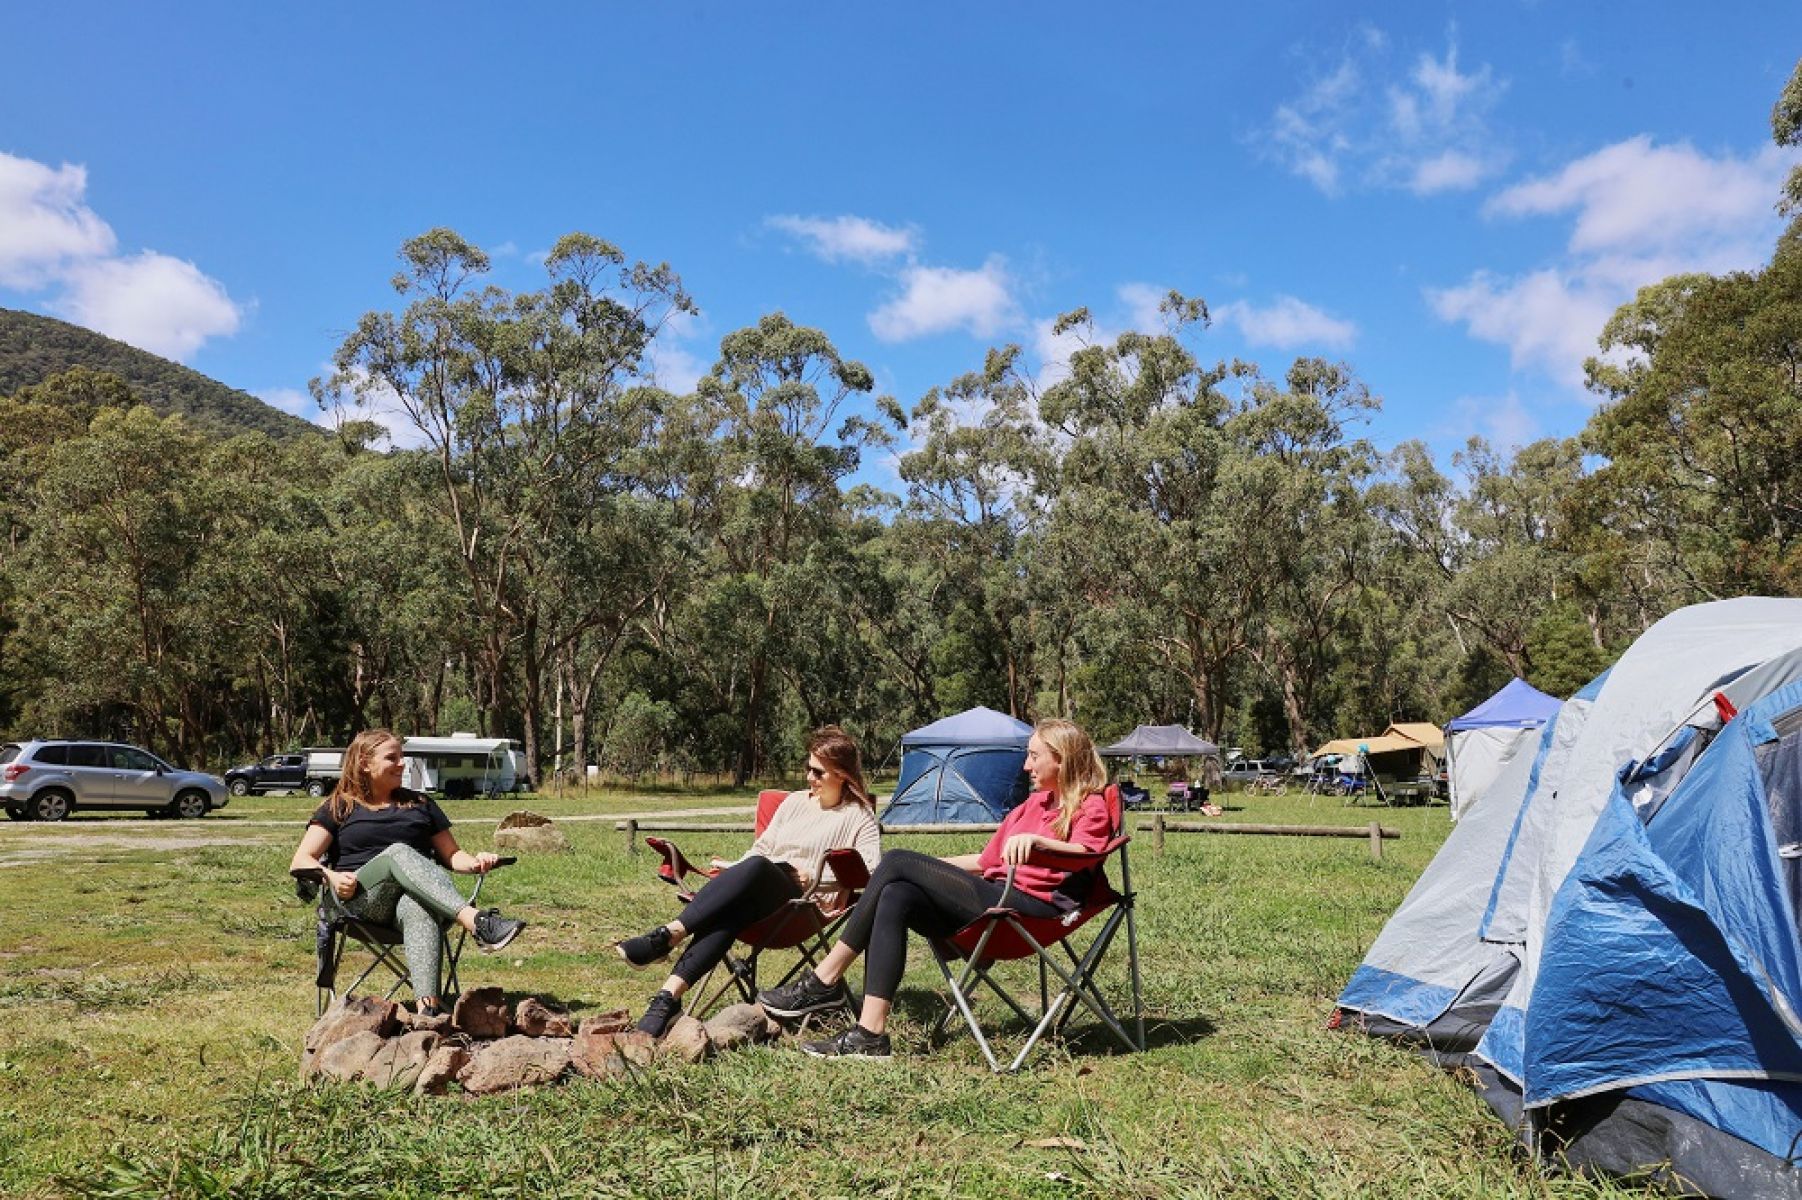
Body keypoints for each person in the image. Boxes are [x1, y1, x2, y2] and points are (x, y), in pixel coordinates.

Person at [757, 718, 1112, 1059]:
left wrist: (1040, 844)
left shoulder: (1091, 805)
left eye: (1034, 756)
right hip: (995, 897)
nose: (1025, 766)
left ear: (1062, 759)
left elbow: (1088, 854)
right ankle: (870, 1034)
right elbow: (987, 862)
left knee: (896, 861)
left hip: (1031, 911)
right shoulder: (1031, 805)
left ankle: (823, 980)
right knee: (897, 891)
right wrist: (922, 870)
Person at [617, 725, 882, 1037]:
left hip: (804, 902)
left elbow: (870, 872)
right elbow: (762, 849)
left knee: (756, 871)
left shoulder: (858, 815)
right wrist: (732, 869)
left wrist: (819, 878)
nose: (810, 778)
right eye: (808, 768)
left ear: (842, 774)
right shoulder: (796, 802)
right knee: (733, 910)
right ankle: (667, 998)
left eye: (818, 772)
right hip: (761, 889)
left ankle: (668, 936)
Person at [290, 728, 526, 1016]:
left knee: (418, 905)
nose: (402, 763)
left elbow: (452, 855)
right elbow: (301, 860)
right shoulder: (339, 806)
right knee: (398, 853)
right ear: (365, 762)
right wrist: (331, 876)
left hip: (410, 902)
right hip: (359, 900)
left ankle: (428, 1012)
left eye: (402, 757)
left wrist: (477, 862)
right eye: (392, 758)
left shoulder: (421, 804)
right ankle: (477, 923)